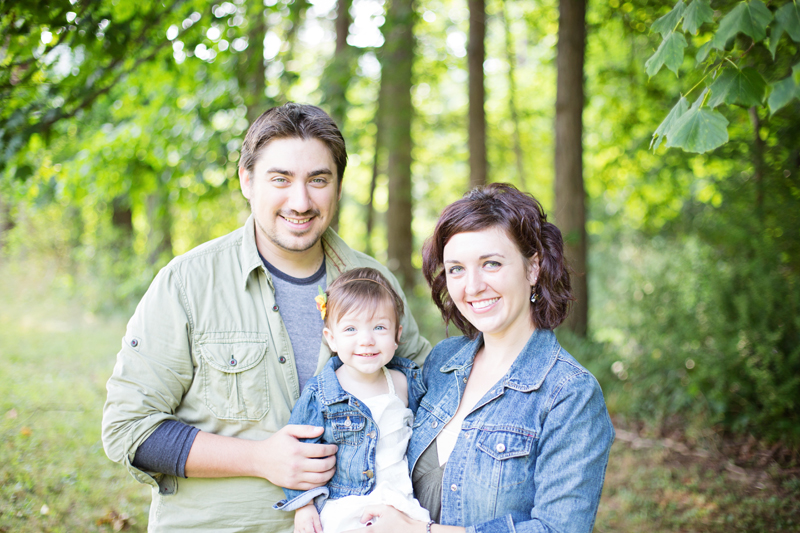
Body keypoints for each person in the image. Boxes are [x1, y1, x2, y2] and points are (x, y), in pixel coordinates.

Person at [101, 103, 431, 533]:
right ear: (246, 180)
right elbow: (129, 429)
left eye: (318, 180)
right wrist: (260, 458)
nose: (301, 201)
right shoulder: (187, 283)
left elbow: (429, 404)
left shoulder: (375, 284)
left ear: (337, 186)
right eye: (281, 179)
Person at [343, 183, 614, 533]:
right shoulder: (442, 363)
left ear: (533, 269)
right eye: (456, 269)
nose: (472, 287)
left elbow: (558, 529)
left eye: (491, 263)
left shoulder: (570, 395)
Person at [273, 267, 430, 533]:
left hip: (400, 506)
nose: (366, 340)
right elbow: (299, 454)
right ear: (331, 338)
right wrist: (303, 505)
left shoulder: (406, 383)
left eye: (379, 327)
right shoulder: (321, 394)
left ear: (397, 335)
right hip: (345, 512)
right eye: (351, 329)